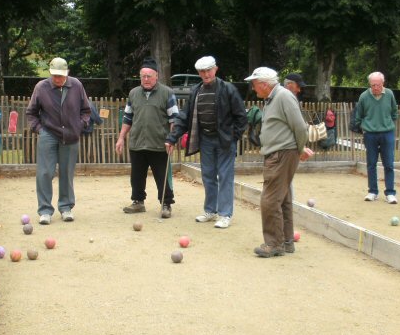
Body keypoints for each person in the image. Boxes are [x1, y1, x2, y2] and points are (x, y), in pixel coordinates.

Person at [165, 56, 247, 229]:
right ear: (198, 73)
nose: (205, 74)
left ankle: (225, 214)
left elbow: (241, 117)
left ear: (215, 69)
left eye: (208, 70)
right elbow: (184, 116)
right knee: (208, 175)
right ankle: (210, 210)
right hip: (206, 139)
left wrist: (234, 137)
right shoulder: (196, 91)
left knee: (225, 177)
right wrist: (172, 138)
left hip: (225, 140)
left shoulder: (228, 89)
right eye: (202, 71)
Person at [244, 67, 313, 257]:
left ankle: (274, 244)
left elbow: (299, 126)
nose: (253, 87)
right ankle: (286, 241)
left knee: (270, 199)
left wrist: (300, 149)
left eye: (255, 84)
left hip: (282, 154)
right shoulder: (273, 98)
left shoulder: (283, 96)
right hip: (279, 153)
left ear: (265, 84)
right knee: (283, 199)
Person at [26, 57, 91, 225]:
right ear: (50, 73)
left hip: (71, 135)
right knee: (45, 173)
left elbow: (86, 110)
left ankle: (66, 207)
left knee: (66, 172)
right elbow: (31, 113)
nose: (58, 79)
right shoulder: (41, 87)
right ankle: (45, 210)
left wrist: (80, 125)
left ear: (67, 73)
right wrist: (39, 130)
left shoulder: (76, 85)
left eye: (61, 76)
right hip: (48, 133)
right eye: (55, 76)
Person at [116, 57, 179, 219]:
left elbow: (174, 119)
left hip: (159, 143)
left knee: (162, 175)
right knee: (136, 176)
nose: (146, 79)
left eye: (149, 76)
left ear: (156, 76)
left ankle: (166, 204)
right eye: (143, 76)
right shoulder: (133, 93)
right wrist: (121, 138)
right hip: (137, 142)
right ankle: (138, 202)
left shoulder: (167, 93)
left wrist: (172, 139)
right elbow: (128, 118)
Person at [354, 72, 398, 204]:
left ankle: (390, 193)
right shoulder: (364, 96)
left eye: (378, 85)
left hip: (387, 133)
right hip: (370, 134)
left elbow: (394, 113)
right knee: (371, 164)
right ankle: (373, 191)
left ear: (382, 83)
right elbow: (359, 115)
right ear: (370, 84)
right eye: (373, 85)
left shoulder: (389, 94)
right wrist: (364, 128)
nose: (375, 87)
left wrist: (388, 125)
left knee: (389, 164)